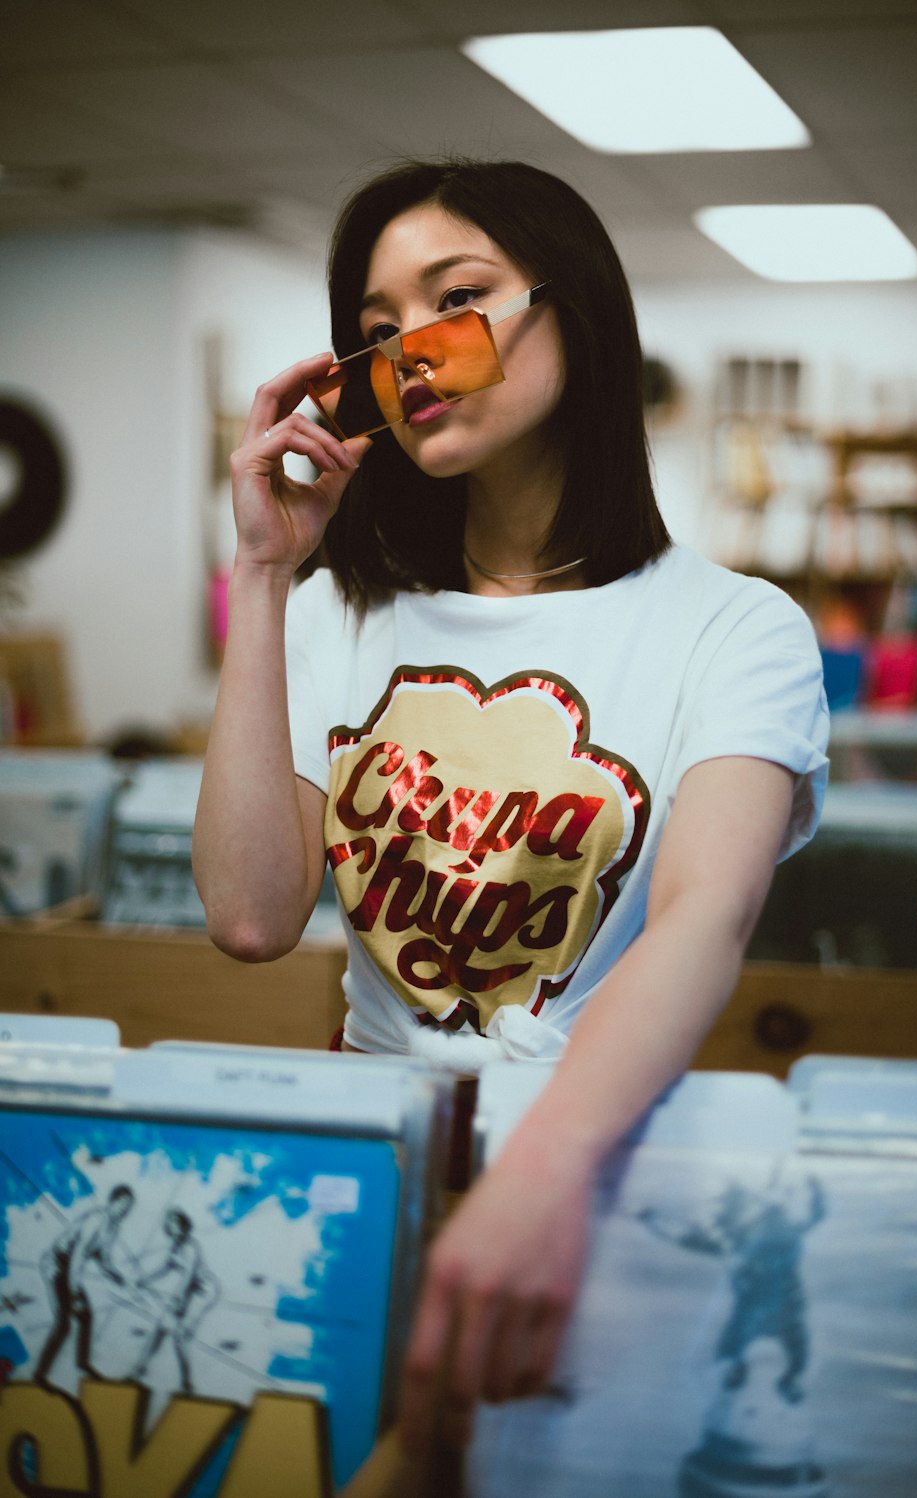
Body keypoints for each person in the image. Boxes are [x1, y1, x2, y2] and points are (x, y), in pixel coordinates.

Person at [192, 157, 829, 1456]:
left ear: (571, 311)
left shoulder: (736, 629)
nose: (410, 354)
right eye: (374, 334)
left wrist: (541, 1173)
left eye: (455, 300)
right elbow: (253, 913)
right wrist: (262, 575)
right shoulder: (335, 611)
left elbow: (701, 924)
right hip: (362, 1175)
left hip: (591, 1182)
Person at [34, 1184, 134, 1387]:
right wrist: (74, 1292)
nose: (125, 1209)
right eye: (122, 1203)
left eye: (129, 1206)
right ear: (113, 1201)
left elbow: (102, 1256)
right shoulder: (97, 1219)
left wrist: (114, 1274)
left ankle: (82, 1363)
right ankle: (40, 1373)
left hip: (71, 1268)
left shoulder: (114, 1227)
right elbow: (78, 1255)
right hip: (58, 1264)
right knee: (64, 1323)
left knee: (86, 1317)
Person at [131, 1209, 219, 1395]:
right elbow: (165, 1267)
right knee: (160, 1329)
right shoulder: (176, 1246)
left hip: (202, 1294)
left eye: (176, 1223)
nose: (173, 1227)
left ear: (183, 1226)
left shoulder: (190, 1247)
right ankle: (139, 1369)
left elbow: (187, 1275)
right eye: (170, 1224)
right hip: (188, 1292)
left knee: (179, 1337)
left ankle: (187, 1384)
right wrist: (145, 1279)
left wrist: (178, 1301)